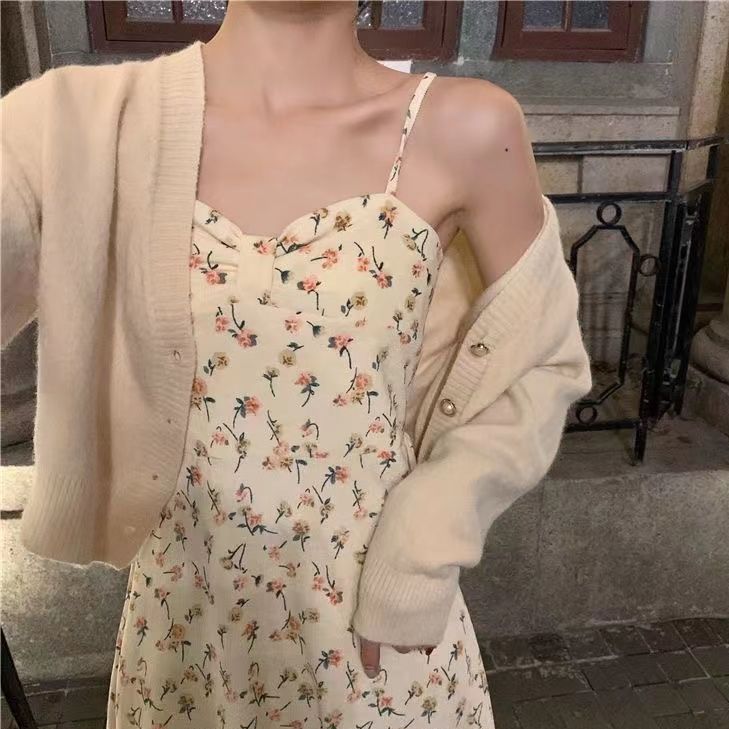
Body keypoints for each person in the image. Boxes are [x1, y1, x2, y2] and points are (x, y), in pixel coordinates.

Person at [1, 1, 592, 727]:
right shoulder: (81, 127)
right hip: (185, 639)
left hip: (374, 637)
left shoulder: (467, 126)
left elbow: (538, 360)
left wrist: (426, 538)